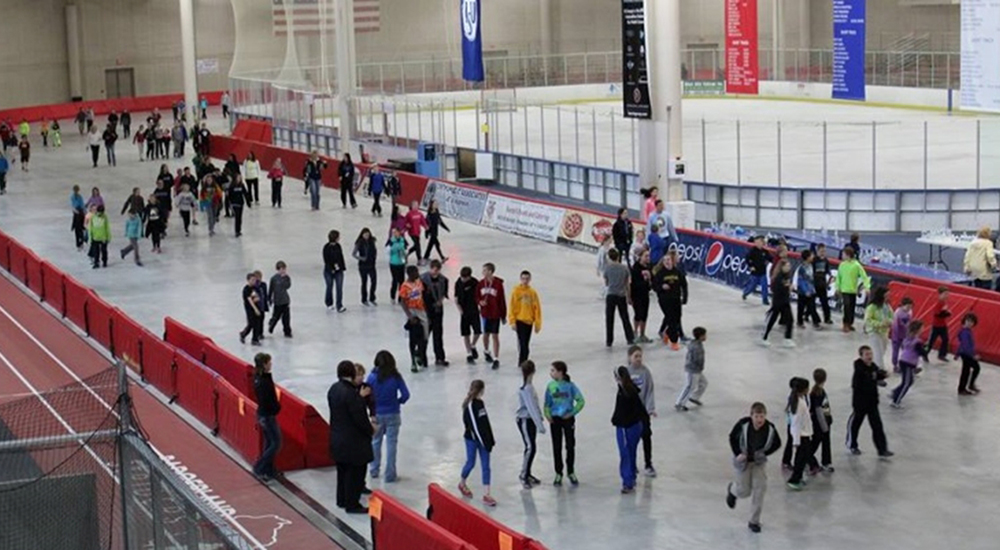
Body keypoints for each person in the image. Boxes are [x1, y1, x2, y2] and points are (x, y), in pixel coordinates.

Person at [726, 402, 782, 534]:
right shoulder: (742, 424)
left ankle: (754, 521)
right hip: (743, 462)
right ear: (751, 416)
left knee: (760, 489)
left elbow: (777, 443)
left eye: (762, 416)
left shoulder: (770, 428)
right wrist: (738, 453)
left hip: (758, 463)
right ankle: (733, 490)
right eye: (756, 416)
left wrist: (764, 453)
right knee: (744, 491)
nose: (759, 420)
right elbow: (732, 437)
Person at [328, 360, 376, 514]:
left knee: (342, 472)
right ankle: (352, 504)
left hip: (337, 437)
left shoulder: (334, 389)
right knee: (355, 474)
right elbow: (360, 419)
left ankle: (341, 499)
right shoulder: (352, 395)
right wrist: (371, 430)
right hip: (353, 443)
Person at [366, 351, 410, 483]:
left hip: (377, 414)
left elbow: (368, 396)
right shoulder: (396, 377)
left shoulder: (372, 378)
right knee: (391, 444)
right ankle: (390, 475)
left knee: (375, 442)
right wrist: (398, 401)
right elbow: (406, 395)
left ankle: (374, 470)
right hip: (393, 413)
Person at [846, 346, 893, 458]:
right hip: (860, 403)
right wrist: (876, 377)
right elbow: (866, 379)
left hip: (872, 402)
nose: (870, 356)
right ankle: (852, 445)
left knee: (877, 426)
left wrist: (884, 375)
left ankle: (882, 449)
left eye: (870, 354)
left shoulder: (872, 366)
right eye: (867, 354)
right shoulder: (859, 369)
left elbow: (877, 374)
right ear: (861, 356)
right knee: (855, 424)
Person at [544, 361, 584, 486]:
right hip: (555, 420)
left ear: (560, 372)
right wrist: (548, 415)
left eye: (553, 370)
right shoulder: (550, 386)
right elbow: (547, 404)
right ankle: (558, 473)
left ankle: (571, 471)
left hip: (567, 419)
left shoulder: (570, 386)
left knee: (570, 445)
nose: (551, 373)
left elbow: (581, 401)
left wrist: (572, 413)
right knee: (556, 446)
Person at [458, 380, 496, 506]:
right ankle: (462, 483)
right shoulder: (469, 405)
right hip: (472, 440)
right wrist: (485, 441)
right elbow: (475, 425)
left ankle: (487, 494)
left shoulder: (480, 403)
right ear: (481, 390)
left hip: (483, 440)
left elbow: (485, 422)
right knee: (471, 462)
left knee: (486, 466)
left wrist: (490, 439)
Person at [612, 365, 646, 494]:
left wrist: (616, 421)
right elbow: (640, 409)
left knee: (625, 454)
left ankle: (628, 482)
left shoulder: (625, 393)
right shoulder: (630, 390)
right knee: (631, 452)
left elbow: (622, 412)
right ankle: (631, 478)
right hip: (636, 426)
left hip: (626, 427)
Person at [625, 346, 657, 476]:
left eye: (640, 356)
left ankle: (648, 464)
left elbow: (650, 390)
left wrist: (650, 408)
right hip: (630, 413)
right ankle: (632, 464)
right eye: (635, 356)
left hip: (642, 412)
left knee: (646, 436)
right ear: (629, 357)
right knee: (631, 440)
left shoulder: (645, 372)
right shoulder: (626, 373)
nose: (638, 359)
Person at [516, 361, 547, 489]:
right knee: (530, 447)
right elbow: (531, 407)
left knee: (531, 447)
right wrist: (540, 424)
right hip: (525, 420)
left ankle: (527, 473)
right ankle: (523, 475)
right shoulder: (527, 389)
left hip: (530, 420)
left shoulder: (529, 386)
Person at [784, 377, 819, 491]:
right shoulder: (800, 404)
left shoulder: (799, 401)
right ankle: (794, 479)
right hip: (802, 436)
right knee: (800, 459)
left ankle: (798, 477)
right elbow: (796, 424)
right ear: (804, 389)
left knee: (802, 458)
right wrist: (796, 441)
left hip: (804, 434)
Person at [252, 353, 282, 482]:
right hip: (267, 415)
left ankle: (268, 470)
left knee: (269, 442)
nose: (271, 364)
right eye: (269, 362)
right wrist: (276, 408)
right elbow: (267, 399)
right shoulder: (263, 381)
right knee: (276, 443)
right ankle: (260, 467)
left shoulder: (259, 378)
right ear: (264, 364)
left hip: (264, 414)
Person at [890, 321, 929, 407]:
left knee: (909, 381)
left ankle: (895, 392)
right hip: (908, 363)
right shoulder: (917, 341)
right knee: (907, 383)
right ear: (918, 329)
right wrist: (926, 349)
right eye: (922, 328)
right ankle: (896, 401)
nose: (923, 329)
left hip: (904, 361)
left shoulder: (907, 338)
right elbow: (921, 352)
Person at [653, 254, 687, 350]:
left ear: (672, 261)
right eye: (665, 260)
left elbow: (684, 285)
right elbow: (654, 286)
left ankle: (667, 332)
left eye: (669, 260)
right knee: (671, 318)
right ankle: (674, 341)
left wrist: (685, 297)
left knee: (677, 318)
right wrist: (661, 287)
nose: (667, 262)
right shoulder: (660, 273)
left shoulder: (677, 272)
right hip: (664, 300)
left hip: (676, 298)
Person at [399, 265, 429, 372]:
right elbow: (402, 302)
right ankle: (413, 361)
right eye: (416, 272)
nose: (418, 274)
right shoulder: (404, 286)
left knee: (425, 336)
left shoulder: (419, 282)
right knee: (413, 338)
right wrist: (409, 316)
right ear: (410, 274)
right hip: (412, 311)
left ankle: (419, 353)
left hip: (422, 311)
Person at [421, 260, 451, 366]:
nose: (435, 272)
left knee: (438, 334)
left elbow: (444, 293)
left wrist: (440, 300)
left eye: (437, 270)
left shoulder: (443, 280)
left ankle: (440, 357)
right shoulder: (423, 279)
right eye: (434, 269)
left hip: (437, 310)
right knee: (425, 334)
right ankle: (421, 357)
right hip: (426, 310)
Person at [477, 263, 507, 370]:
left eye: (485, 270)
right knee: (486, 334)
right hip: (485, 314)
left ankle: (496, 358)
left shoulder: (498, 284)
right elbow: (476, 297)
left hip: (495, 314)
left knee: (495, 335)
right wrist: (480, 302)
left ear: (490, 271)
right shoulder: (480, 284)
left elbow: (502, 300)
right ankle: (486, 351)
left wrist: (503, 315)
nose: (483, 272)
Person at [509, 270, 542, 365]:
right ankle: (522, 361)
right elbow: (512, 307)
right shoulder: (516, 291)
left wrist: (537, 323)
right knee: (522, 343)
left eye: (527, 279)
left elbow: (537, 308)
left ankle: (523, 361)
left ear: (530, 279)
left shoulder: (532, 292)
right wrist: (512, 321)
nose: (525, 281)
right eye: (523, 278)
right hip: (519, 320)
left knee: (526, 343)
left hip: (529, 321)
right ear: (520, 279)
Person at [604, 249, 635, 347]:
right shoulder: (624, 268)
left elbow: (606, 283)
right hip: (621, 295)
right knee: (625, 317)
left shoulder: (607, 268)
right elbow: (627, 284)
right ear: (618, 257)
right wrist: (629, 297)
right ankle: (630, 338)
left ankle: (609, 340)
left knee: (609, 318)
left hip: (611, 295)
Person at [835, 247, 870, 333]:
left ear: (848, 255)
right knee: (846, 306)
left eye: (843, 254)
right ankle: (845, 323)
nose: (842, 256)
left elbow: (864, 276)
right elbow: (838, 277)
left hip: (853, 290)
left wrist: (867, 287)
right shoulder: (842, 265)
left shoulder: (856, 265)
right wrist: (837, 288)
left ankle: (850, 323)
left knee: (851, 307)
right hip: (844, 290)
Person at [676, 326, 708, 412]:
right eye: (705, 335)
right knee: (689, 386)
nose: (706, 336)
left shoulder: (697, 344)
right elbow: (696, 359)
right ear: (701, 336)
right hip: (693, 370)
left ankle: (694, 397)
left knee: (703, 383)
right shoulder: (696, 347)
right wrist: (699, 366)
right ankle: (680, 403)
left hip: (698, 370)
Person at [808, 368, 834, 473]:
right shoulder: (818, 393)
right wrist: (824, 426)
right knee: (820, 442)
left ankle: (808, 458)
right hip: (821, 424)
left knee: (816, 442)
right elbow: (819, 411)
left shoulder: (817, 391)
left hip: (822, 422)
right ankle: (825, 463)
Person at [455, 267, 482, 364]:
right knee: (466, 334)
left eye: (465, 278)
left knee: (478, 331)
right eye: (462, 277)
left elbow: (479, 296)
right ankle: (469, 353)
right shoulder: (458, 283)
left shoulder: (475, 283)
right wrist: (460, 310)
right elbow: (456, 298)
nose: (463, 279)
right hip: (464, 311)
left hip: (474, 310)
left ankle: (473, 345)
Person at [864, 287, 893, 369]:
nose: (888, 297)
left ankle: (872, 365)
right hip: (874, 332)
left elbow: (892, 316)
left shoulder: (887, 306)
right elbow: (867, 320)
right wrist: (879, 324)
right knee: (878, 352)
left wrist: (890, 322)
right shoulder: (872, 307)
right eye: (887, 295)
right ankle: (880, 369)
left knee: (882, 350)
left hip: (884, 332)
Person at [629, 249, 654, 344]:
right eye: (646, 256)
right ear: (640, 257)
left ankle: (642, 334)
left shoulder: (649, 267)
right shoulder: (635, 267)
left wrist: (650, 278)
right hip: (636, 294)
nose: (648, 258)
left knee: (644, 315)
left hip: (645, 294)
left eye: (648, 256)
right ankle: (635, 333)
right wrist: (629, 296)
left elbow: (652, 281)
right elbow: (632, 283)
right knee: (638, 314)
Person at [956, 313, 981, 395]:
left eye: (971, 322)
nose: (969, 323)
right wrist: (973, 355)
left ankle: (964, 387)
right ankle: (966, 387)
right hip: (966, 354)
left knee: (967, 370)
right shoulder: (965, 332)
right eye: (968, 321)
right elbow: (965, 345)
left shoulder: (966, 331)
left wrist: (957, 353)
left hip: (966, 353)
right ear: (964, 321)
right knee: (974, 368)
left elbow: (963, 344)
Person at [352, 228, 378, 306]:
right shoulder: (359, 243)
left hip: (372, 264)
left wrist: (374, 257)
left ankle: (372, 298)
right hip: (363, 265)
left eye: (368, 234)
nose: (367, 236)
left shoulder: (372, 241)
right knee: (364, 282)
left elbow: (375, 250)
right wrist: (362, 258)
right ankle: (364, 299)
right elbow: (354, 254)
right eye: (365, 234)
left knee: (374, 281)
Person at [795, 250, 821, 328]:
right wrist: (805, 290)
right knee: (801, 307)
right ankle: (800, 322)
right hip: (803, 292)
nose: (813, 257)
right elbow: (801, 280)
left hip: (811, 290)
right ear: (807, 257)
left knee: (812, 306)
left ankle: (816, 322)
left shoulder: (811, 266)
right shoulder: (802, 268)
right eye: (811, 255)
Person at [925, 286, 952, 362]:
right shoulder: (938, 303)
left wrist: (947, 313)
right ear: (940, 294)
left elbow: (943, 313)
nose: (947, 295)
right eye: (945, 294)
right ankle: (925, 353)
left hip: (943, 325)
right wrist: (946, 313)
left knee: (945, 339)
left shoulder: (944, 303)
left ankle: (942, 354)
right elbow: (937, 314)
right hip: (936, 326)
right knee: (931, 341)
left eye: (947, 294)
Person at [323, 230, 347, 312]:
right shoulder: (326, 247)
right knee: (329, 286)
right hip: (329, 271)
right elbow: (326, 260)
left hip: (339, 271)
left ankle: (339, 305)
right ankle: (329, 303)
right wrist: (332, 269)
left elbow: (341, 257)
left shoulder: (338, 246)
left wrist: (342, 267)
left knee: (339, 288)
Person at [741, 236, 770, 305]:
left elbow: (770, 259)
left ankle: (765, 299)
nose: (757, 244)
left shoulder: (765, 252)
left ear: (763, 243)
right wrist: (751, 266)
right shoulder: (752, 251)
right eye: (756, 242)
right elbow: (747, 259)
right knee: (752, 286)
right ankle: (745, 293)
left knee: (764, 286)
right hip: (755, 273)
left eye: (759, 242)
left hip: (763, 272)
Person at [268, 261, 293, 338]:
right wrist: (269, 298)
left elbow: (287, 286)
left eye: (284, 269)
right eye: (281, 269)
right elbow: (271, 289)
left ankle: (287, 331)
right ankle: (271, 325)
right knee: (276, 316)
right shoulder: (274, 279)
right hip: (277, 301)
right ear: (278, 269)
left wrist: (285, 278)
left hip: (285, 300)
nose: (283, 271)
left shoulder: (287, 277)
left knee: (286, 318)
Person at [239, 273, 263, 346]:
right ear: (248, 280)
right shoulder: (246, 289)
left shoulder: (255, 288)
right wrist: (255, 309)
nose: (254, 281)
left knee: (257, 324)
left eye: (255, 280)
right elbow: (250, 301)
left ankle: (255, 339)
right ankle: (243, 334)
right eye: (252, 280)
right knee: (251, 324)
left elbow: (258, 297)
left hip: (257, 307)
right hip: (250, 309)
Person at [890, 297, 913, 372]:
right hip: (897, 336)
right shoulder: (897, 313)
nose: (909, 308)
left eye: (910, 307)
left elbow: (909, 323)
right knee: (895, 351)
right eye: (908, 307)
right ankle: (895, 365)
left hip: (905, 335)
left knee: (907, 350)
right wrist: (895, 337)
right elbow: (895, 326)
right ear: (903, 305)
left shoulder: (909, 312)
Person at [812, 243, 833, 324]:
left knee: (825, 302)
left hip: (822, 284)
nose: (823, 253)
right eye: (821, 251)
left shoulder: (826, 261)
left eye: (824, 251)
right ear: (817, 251)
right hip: (815, 284)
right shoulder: (814, 260)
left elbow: (827, 270)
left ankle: (827, 318)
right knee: (811, 302)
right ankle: (807, 315)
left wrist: (829, 276)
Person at [387, 228, 407, 301]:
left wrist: (405, 256)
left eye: (396, 232)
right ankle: (392, 296)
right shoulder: (391, 241)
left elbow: (405, 249)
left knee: (402, 280)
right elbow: (388, 251)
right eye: (393, 232)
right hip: (393, 263)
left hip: (401, 263)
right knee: (395, 279)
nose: (395, 233)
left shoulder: (403, 240)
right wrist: (395, 249)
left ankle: (401, 296)